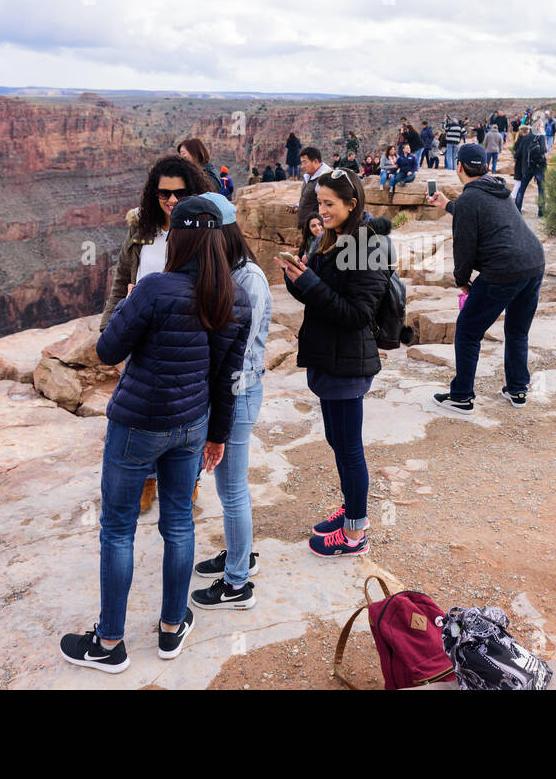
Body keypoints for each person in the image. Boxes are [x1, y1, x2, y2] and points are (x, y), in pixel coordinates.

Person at [60, 194, 251, 673]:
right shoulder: (237, 298)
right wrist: (217, 436)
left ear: (181, 238)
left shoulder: (153, 289)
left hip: (137, 426)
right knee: (179, 524)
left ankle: (109, 644)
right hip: (191, 426)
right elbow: (227, 380)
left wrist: (127, 306)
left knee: (118, 528)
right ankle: (170, 629)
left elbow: (107, 350)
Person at [277, 170, 390, 557]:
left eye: (329, 204)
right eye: (319, 203)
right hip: (329, 359)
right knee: (337, 442)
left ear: (351, 205)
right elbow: (318, 295)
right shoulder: (332, 238)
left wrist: (310, 284)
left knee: (349, 447)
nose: (321, 210)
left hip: (348, 364)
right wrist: (296, 278)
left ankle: (355, 533)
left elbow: (359, 314)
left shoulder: (368, 245)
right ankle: (351, 511)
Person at [189, 192, 271, 610]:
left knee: (232, 488)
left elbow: (238, 349)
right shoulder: (229, 272)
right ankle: (241, 554)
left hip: (237, 392)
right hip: (228, 391)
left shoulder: (249, 279)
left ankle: (238, 582)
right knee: (228, 488)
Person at [428, 144, 545, 414]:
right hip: (534, 263)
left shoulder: (471, 198)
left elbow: (464, 246)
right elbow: (480, 214)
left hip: (503, 270)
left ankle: (462, 396)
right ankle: (517, 388)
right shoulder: (498, 189)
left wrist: (461, 280)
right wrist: (447, 204)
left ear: (459, 166)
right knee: (517, 330)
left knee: (468, 331)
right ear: (485, 167)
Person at [101, 155, 213, 332]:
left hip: (183, 338)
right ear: (154, 194)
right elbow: (122, 282)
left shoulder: (203, 231)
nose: (173, 200)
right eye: (164, 193)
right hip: (139, 334)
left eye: (180, 193)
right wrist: (108, 328)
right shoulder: (141, 227)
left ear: (193, 192)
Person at [294, 146, 330, 234]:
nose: (302, 166)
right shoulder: (309, 176)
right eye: (302, 163)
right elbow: (309, 197)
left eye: (305, 162)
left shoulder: (324, 178)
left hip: (317, 230)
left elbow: (326, 207)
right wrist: (298, 206)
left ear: (315, 161)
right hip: (308, 228)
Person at [513, 126, 547, 217]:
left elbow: (517, 154)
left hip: (527, 167)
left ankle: (517, 210)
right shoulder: (541, 137)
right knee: (541, 190)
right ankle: (541, 212)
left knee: (522, 189)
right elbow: (544, 150)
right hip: (539, 167)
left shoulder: (525, 138)